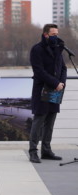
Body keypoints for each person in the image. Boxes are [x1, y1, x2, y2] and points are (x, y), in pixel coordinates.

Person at [29, 24, 67, 163]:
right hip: (42, 90)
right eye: (53, 34)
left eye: (57, 33)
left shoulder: (58, 49)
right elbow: (39, 71)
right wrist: (55, 83)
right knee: (39, 121)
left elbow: (63, 68)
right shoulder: (37, 49)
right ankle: (33, 151)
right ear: (46, 34)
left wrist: (61, 83)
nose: (56, 36)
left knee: (50, 122)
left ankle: (46, 150)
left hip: (56, 90)